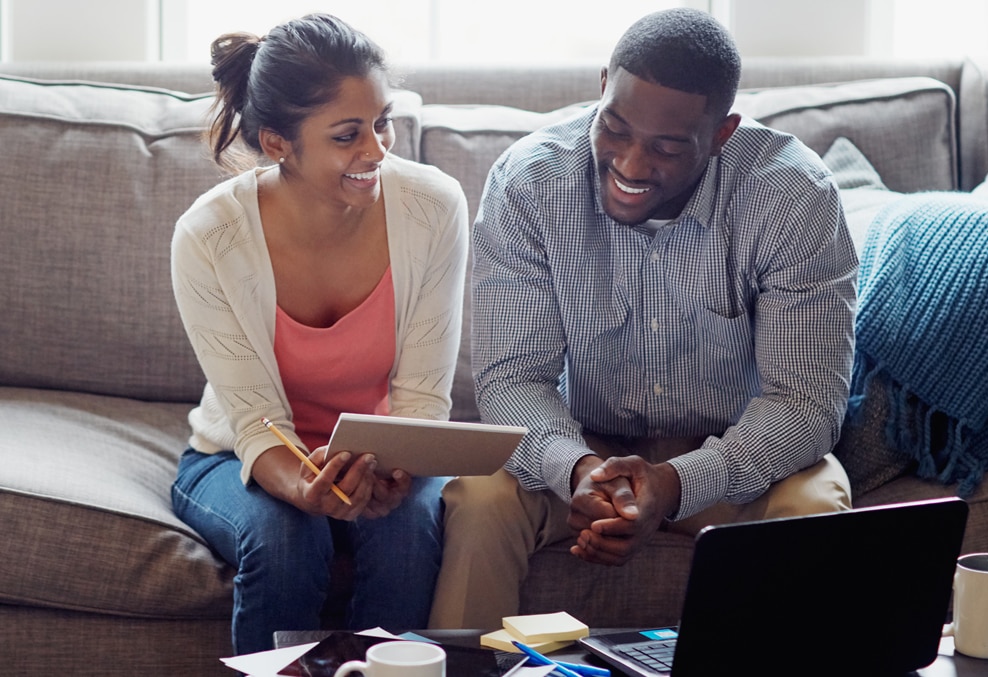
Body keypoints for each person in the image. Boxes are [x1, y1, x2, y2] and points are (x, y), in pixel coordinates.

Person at [428, 8, 857, 629]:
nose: (630, 165)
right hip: (583, 449)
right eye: (616, 128)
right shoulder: (530, 182)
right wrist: (575, 469)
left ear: (721, 133)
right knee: (480, 495)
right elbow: (510, 379)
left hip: (730, 458)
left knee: (816, 504)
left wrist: (676, 484)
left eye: (666, 147)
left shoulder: (793, 199)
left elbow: (806, 403)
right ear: (603, 86)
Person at [169, 14, 468, 653]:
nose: (378, 151)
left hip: (385, 456)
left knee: (409, 537)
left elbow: (421, 399)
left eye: (382, 122)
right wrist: (306, 488)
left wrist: (401, 472)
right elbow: (254, 423)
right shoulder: (210, 235)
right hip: (240, 458)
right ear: (279, 143)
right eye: (347, 135)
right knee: (286, 540)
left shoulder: (433, 208)